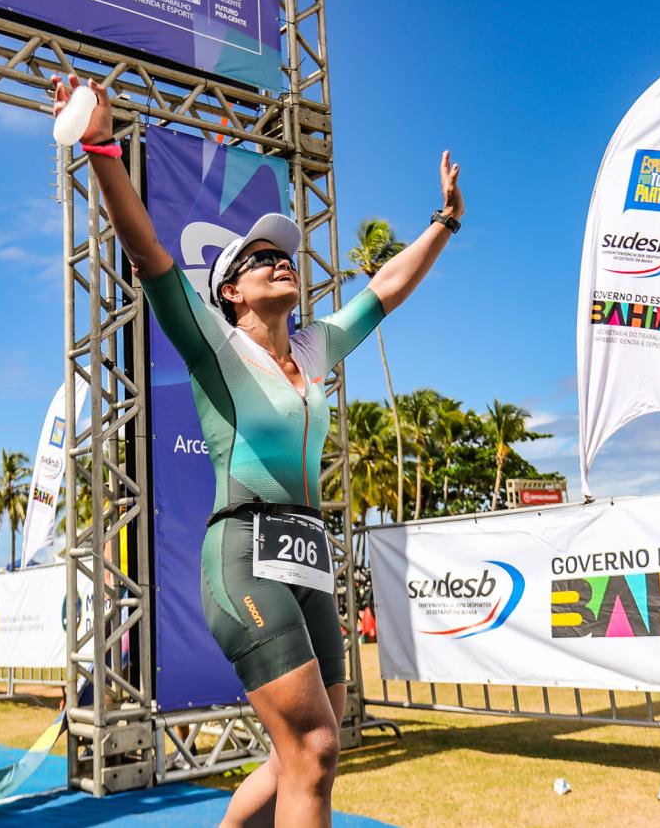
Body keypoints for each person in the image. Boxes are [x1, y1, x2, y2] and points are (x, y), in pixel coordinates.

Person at [52, 74, 463, 826]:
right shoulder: (213, 340)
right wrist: (103, 146)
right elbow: (146, 248)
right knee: (313, 748)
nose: (280, 260)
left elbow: (388, 289)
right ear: (230, 292)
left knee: (305, 746)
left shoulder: (313, 346)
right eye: (259, 257)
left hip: (307, 553)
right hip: (241, 549)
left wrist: (444, 223)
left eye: (285, 255)